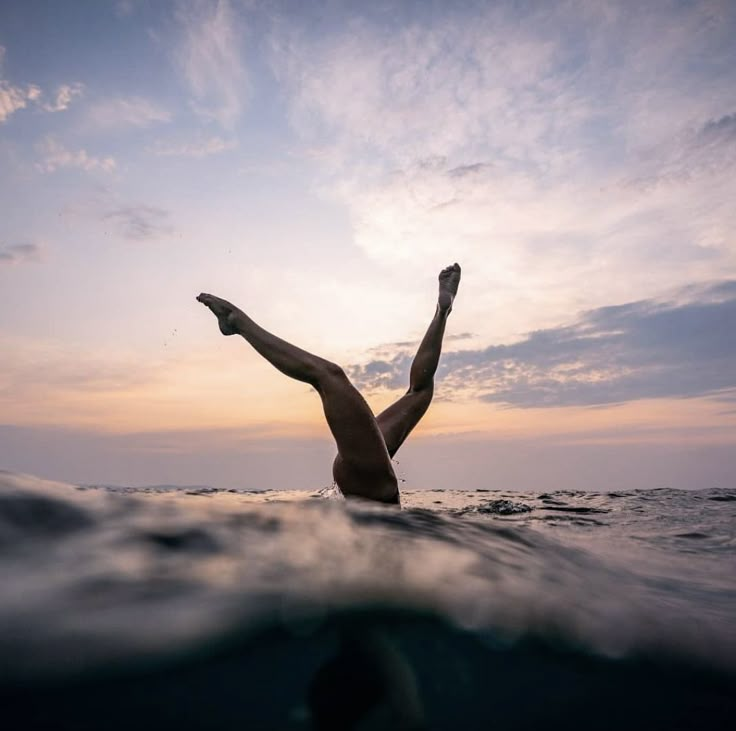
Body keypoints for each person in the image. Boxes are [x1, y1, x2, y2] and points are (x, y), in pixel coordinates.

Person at [196, 263, 461, 506]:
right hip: (373, 482)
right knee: (419, 391)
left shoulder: (374, 489)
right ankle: (442, 312)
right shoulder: (378, 485)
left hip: (369, 483)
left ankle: (236, 322)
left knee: (329, 376)